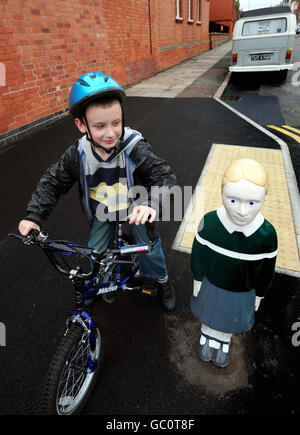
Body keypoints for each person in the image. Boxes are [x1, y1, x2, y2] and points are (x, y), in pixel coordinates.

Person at [18, 71, 176, 310]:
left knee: (150, 248)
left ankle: (162, 281)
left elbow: (164, 176)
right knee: (96, 252)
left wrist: (152, 203)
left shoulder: (134, 147)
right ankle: (98, 282)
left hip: (136, 209)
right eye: (100, 126)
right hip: (103, 211)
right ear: (82, 125)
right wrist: (34, 217)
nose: (111, 133)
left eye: (116, 123)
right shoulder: (78, 154)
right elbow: (53, 181)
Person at [190, 158, 278, 367]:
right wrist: (197, 277)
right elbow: (199, 254)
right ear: (221, 192)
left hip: (242, 290)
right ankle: (206, 335)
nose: (242, 211)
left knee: (230, 319)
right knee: (209, 312)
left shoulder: (267, 235)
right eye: (233, 200)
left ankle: (223, 341)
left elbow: (266, 270)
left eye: (252, 203)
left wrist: (260, 293)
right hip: (213, 283)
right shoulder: (210, 223)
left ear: (264, 198)